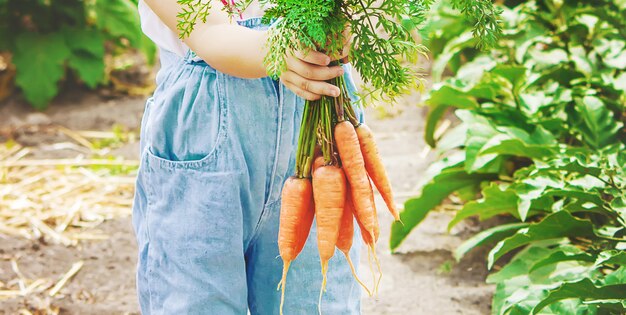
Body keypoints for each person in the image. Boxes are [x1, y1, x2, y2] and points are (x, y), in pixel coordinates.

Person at [132, 1, 364, 314]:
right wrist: (282, 50)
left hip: (317, 124)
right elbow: (209, 31)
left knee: (316, 300)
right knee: (198, 300)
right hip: (206, 140)